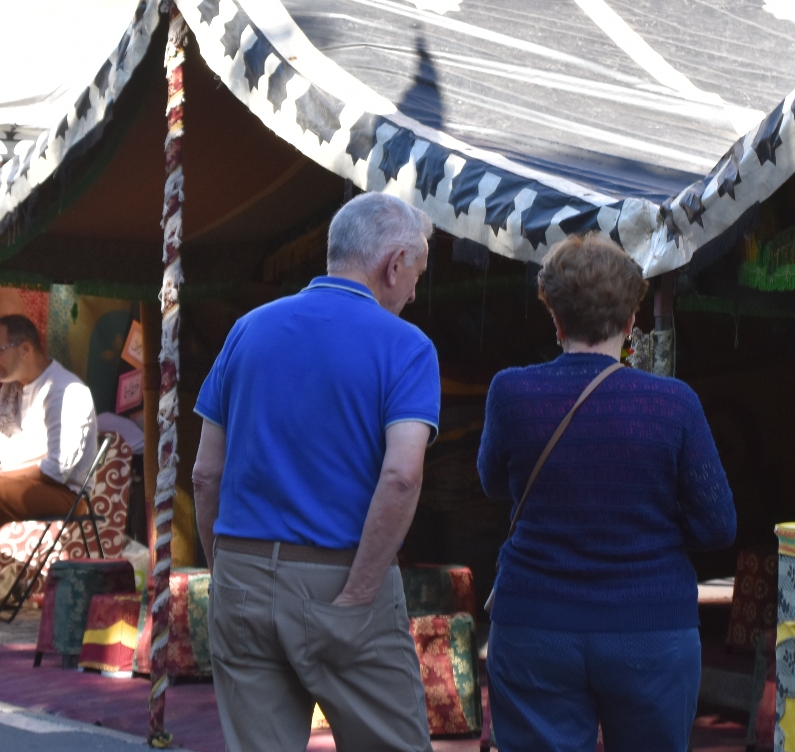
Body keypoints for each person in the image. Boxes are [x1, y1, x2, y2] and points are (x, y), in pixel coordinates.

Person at [192, 194, 440, 752]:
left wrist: (225, 571)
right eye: (417, 276)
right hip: (342, 576)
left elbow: (206, 474)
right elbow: (402, 476)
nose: (413, 293)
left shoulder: (247, 330)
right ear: (394, 263)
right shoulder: (407, 346)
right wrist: (360, 593)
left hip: (242, 572)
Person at [478, 233, 736, 752]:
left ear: (556, 320)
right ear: (630, 320)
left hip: (535, 624)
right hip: (651, 628)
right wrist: (649, 520)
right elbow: (718, 525)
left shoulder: (511, 391)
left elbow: (492, 483)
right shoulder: (674, 404)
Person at [0, 315, 97, 526]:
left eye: (0, 350)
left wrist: (5, 476)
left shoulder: (67, 391)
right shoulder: (9, 388)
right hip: (13, 482)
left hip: (64, 493)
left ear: (25, 349)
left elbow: (55, 471)